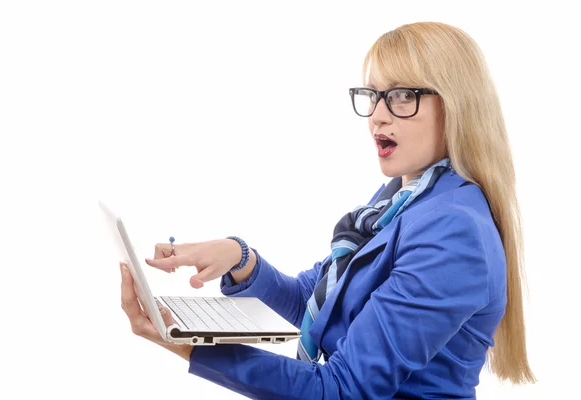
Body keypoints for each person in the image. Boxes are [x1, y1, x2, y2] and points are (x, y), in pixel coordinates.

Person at [119, 21, 536, 399]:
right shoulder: (400, 199)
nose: (376, 116)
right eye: (372, 95)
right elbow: (318, 305)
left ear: (456, 105)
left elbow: (341, 390)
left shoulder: (452, 230)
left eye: (402, 96)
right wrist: (240, 258)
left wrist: (185, 344)